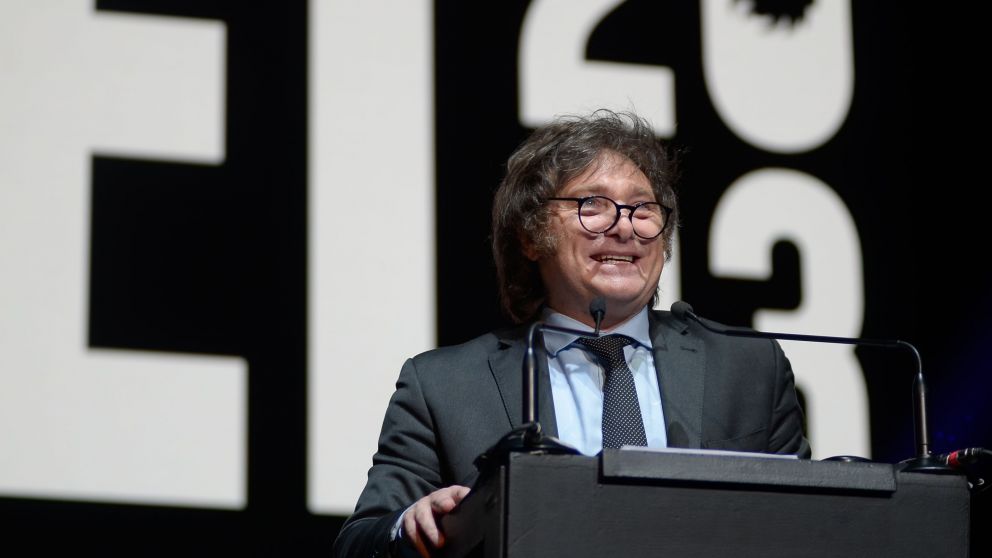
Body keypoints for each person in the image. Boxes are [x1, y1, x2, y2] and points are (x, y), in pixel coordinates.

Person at [332, 110, 810, 558]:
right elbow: (360, 540)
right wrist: (410, 527)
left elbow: (808, 527)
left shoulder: (749, 368)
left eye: (643, 209)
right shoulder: (443, 386)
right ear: (531, 234)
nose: (624, 228)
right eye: (593, 205)